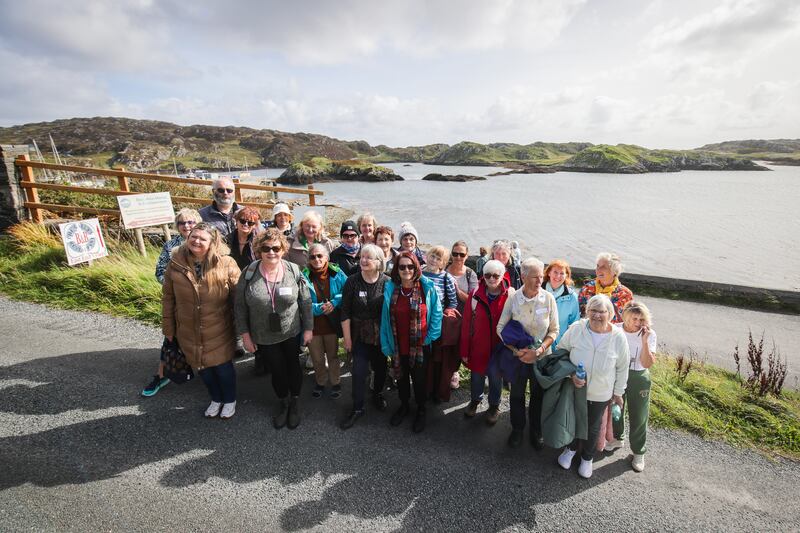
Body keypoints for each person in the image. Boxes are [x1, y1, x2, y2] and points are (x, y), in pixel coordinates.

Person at [161, 222, 241, 418]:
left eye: (202, 238)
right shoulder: (176, 263)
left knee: (222, 368)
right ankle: (216, 398)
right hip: (188, 327)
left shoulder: (226, 263)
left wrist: (243, 328)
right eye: (193, 237)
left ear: (212, 242)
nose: (196, 241)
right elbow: (168, 298)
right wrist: (168, 328)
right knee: (202, 367)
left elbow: (238, 297)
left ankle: (229, 399)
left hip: (219, 327)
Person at [236, 228, 313, 430]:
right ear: (259, 250)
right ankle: (283, 402)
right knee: (276, 369)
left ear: (283, 249)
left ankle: (295, 401)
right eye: (266, 248)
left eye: (276, 248)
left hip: (291, 330)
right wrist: (245, 335)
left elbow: (305, 301)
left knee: (293, 365)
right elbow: (239, 306)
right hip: (263, 333)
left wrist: (308, 329)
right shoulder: (249, 273)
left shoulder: (293, 270)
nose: (271, 252)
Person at [556, 294, 630, 479]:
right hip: (575, 387)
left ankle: (587, 458)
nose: (597, 315)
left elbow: (623, 367)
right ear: (587, 312)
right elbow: (561, 352)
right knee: (573, 419)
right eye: (593, 311)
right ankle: (570, 449)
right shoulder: (576, 329)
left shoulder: (618, 337)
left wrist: (618, 393)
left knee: (592, 425)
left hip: (601, 391)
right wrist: (571, 374)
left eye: (602, 311)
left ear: (610, 314)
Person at [497, 257, 559, 449]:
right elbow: (500, 328)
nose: (540, 280)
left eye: (541, 276)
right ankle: (517, 429)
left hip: (541, 358)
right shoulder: (514, 299)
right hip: (518, 358)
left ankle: (536, 430)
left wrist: (539, 351)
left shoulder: (548, 298)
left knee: (538, 395)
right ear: (523, 277)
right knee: (516, 395)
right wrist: (517, 352)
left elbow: (554, 330)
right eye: (534, 277)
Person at [380, 252, 442, 433]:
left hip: (420, 346)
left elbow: (437, 313)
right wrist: (386, 343)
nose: (406, 270)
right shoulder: (391, 288)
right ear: (397, 269)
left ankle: (421, 409)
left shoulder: (426, 287)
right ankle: (404, 405)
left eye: (410, 266)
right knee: (401, 378)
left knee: (420, 380)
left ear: (416, 268)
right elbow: (385, 319)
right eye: (402, 266)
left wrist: (429, 337)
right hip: (398, 345)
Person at [144, 207, 202, 397]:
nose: (186, 226)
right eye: (182, 222)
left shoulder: (206, 242)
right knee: (171, 338)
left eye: (190, 222)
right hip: (179, 301)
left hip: (204, 300)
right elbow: (160, 271)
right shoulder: (170, 246)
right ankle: (161, 375)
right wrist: (175, 286)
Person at [339, 244, 390, 429]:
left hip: (380, 335)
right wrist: (347, 339)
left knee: (381, 369)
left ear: (379, 262)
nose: (364, 260)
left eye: (369, 257)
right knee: (358, 372)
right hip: (359, 335)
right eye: (362, 256)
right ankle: (357, 407)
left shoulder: (387, 282)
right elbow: (345, 312)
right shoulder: (352, 281)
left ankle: (377, 394)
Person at [460, 260, 514, 424]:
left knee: (496, 378)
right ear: (483, 276)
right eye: (488, 275)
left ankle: (494, 406)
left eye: (496, 275)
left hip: (499, 347)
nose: (491, 279)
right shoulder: (475, 294)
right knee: (476, 376)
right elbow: (466, 323)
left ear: (502, 275)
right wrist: (464, 350)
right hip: (478, 346)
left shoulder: (511, 295)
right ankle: (475, 400)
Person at [610, 301, 656, 472]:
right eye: (634, 318)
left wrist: (644, 341)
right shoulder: (615, 329)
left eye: (641, 319)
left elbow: (647, 363)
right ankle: (617, 438)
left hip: (638, 376)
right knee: (616, 408)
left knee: (639, 414)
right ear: (625, 317)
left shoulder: (650, 334)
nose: (638, 322)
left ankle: (638, 452)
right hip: (617, 373)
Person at [301, 243, 347, 399]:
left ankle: (336, 382)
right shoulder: (303, 276)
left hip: (331, 324)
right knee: (317, 358)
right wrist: (320, 308)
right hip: (313, 326)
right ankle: (320, 382)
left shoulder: (337, 272)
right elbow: (301, 300)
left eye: (320, 256)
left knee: (333, 356)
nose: (316, 259)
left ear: (326, 257)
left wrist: (334, 302)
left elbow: (346, 291)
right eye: (312, 257)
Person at [422, 245, 459, 402]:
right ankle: (423, 390)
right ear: (427, 256)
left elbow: (453, 302)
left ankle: (436, 391)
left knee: (436, 360)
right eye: (432, 256)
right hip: (420, 322)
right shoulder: (419, 273)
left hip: (437, 324)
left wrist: (445, 314)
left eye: (438, 259)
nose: (434, 260)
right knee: (423, 359)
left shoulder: (446, 278)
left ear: (443, 263)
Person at [446, 240, 478, 389]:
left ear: (467, 256)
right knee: (445, 345)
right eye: (455, 254)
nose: (458, 257)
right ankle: (444, 372)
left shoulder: (470, 274)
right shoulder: (444, 269)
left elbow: (474, 300)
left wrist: (458, 291)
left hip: (463, 316)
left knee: (459, 344)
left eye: (462, 254)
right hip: (445, 315)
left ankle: (454, 371)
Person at [578, 252, 633, 324]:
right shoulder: (587, 288)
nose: (598, 270)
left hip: (613, 330)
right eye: (598, 266)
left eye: (603, 267)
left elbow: (629, 321)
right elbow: (578, 314)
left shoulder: (625, 294)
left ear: (614, 271)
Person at [544, 259, 581, 348]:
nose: (558, 276)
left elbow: (575, 324)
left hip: (559, 345)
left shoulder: (572, 297)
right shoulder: (537, 291)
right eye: (555, 272)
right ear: (549, 273)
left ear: (566, 276)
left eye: (562, 273)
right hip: (536, 343)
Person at [225, 206, 261, 271]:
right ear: (236, 221)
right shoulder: (226, 240)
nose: (246, 224)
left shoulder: (259, 242)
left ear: (255, 225)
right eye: (242, 221)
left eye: (250, 223)